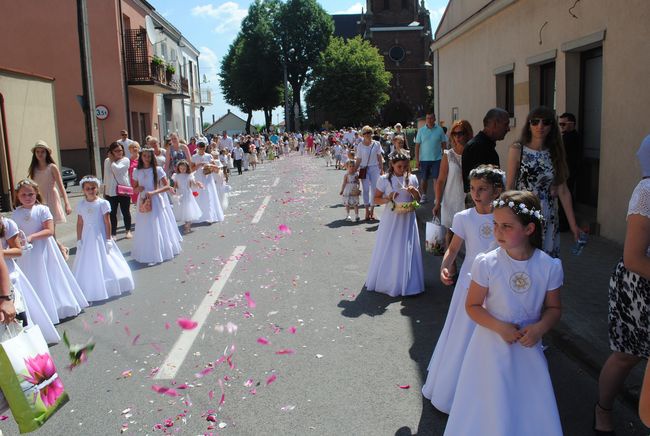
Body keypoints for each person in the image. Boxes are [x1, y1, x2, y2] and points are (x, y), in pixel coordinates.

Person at [445, 190, 563, 436]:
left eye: (506, 226)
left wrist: (540, 328)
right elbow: (472, 306)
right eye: (495, 225)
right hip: (490, 346)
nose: (498, 231)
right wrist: (500, 327)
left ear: (529, 229)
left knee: (526, 400)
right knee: (490, 399)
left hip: (527, 347)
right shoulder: (486, 263)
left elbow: (554, 309)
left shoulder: (548, 266)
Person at [422, 165, 503, 413]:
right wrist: (445, 266)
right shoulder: (464, 217)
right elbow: (454, 248)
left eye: (482, 189)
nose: (476, 194)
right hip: (470, 281)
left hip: (497, 283)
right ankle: (454, 387)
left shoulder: (504, 216)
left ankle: (489, 390)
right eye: (473, 189)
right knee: (463, 332)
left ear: (497, 191)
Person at [594, 136, 650, 435]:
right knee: (627, 355)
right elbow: (633, 258)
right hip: (639, 289)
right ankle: (602, 408)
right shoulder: (647, 190)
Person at [506, 106, 580, 257]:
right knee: (524, 257)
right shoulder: (518, 149)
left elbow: (563, 191)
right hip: (524, 212)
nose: (540, 126)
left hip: (548, 214)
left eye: (546, 122)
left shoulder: (555, 151)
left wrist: (573, 226)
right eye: (535, 122)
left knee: (545, 260)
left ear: (552, 126)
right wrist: (507, 216)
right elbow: (510, 185)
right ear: (529, 124)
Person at [12, 179, 88, 321]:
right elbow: (15, 233)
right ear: (17, 196)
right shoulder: (16, 213)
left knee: (48, 275)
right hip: (27, 253)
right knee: (33, 278)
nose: (28, 198)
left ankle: (58, 306)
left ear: (36, 194)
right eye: (23, 195)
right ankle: (38, 310)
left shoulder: (43, 209)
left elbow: (49, 230)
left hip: (43, 249)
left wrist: (31, 237)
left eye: (31, 194)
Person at [365, 150, 424, 297]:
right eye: (399, 167)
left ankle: (409, 281)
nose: (403, 169)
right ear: (392, 165)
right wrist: (388, 198)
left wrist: (415, 193)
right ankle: (389, 280)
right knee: (391, 246)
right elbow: (376, 199)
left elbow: (418, 200)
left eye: (405, 166)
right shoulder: (384, 179)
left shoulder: (413, 178)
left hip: (408, 219)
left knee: (406, 247)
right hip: (391, 220)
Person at [73, 176, 134, 302]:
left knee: (105, 258)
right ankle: (89, 284)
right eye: (87, 188)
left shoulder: (102, 203)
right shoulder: (81, 204)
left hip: (99, 234)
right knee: (87, 260)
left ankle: (110, 281)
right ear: (83, 190)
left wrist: (108, 239)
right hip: (86, 235)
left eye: (93, 188)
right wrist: (79, 239)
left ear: (97, 188)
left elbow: (107, 222)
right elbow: (79, 223)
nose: (90, 190)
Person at [1, 216, 60, 343]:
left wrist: (2, 253)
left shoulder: (6, 224)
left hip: (9, 280)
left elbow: (18, 251)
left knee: (17, 324)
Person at [131, 149, 182, 266]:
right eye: (144, 156)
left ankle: (160, 250)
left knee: (156, 224)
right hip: (143, 200)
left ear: (152, 157)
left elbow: (167, 186)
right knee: (145, 226)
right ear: (141, 157)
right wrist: (137, 189)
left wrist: (154, 192)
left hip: (155, 199)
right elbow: (134, 188)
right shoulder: (136, 171)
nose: (146, 158)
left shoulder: (157, 170)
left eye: (149, 156)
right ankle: (147, 251)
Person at [433, 120, 474, 249]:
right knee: (450, 234)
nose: (457, 136)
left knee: (471, 235)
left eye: (461, 133)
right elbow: (440, 180)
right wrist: (437, 202)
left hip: (470, 200)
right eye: (454, 133)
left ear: (468, 134)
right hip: (451, 199)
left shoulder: (474, 153)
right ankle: (450, 267)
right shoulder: (448, 155)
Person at [28, 140, 72, 258]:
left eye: (42, 151)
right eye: (38, 151)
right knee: (43, 228)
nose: (40, 154)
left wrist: (67, 203)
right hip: (39, 201)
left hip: (51, 199)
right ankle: (61, 248)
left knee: (50, 229)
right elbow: (32, 187)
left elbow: (61, 185)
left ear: (47, 153)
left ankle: (60, 251)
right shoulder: (33, 168)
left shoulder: (52, 167)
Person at [461, 108, 510, 193]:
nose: (508, 129)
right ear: (495, 124)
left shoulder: (484, 145)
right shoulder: (477, 147)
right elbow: (477, 182)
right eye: (506, 124)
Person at [414, 111, 447, 203]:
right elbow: (417, 146)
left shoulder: (440, 130)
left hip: (437, 159)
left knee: (436, 179)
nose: (429, 120)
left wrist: (445, 157)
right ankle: (424, 195)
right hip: (424, 159)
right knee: (424, 178)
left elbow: (444, 145)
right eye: (427, 118)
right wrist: (417, 160)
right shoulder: (421, 131)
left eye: (431, 118)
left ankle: (437, 197)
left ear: (435, 119)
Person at [103, 141, 133, 239]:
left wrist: (112, 161)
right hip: (110, 191)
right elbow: (106, 176)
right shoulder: (107, 161)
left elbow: (117, 170)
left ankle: (128, 230)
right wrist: (104, 191)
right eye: (116, 151)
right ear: (111, 152)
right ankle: (113, 233)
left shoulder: (125, 160)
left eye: (120, 150)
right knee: (112, 213)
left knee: (125, 211)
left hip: (123, 189)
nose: (119, 152)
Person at [558, 112, 582, 231]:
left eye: (563, 124)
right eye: (560, 124)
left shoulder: (570, 137)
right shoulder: (570, 136)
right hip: (568, 171)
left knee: (565, 195)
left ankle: (564, 223)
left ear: (572, 124)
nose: (561, 127)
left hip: (568, 172)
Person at [191, 142, 224, 224]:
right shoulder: (194, 157)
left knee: (209, 195)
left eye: (203, 148)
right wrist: (199, 165)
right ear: (197, 148)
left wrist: (209, 166)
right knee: (199, 196)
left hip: (207, 178)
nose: (202, 150)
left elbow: (216, 168)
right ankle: (200, 215)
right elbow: (191, 169)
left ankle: (210, 216)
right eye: (200, 148)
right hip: (198, 177)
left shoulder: (209, 156)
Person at [356, 125, 384, 221]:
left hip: (375, 168)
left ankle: (372, 210)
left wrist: (382, 169)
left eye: (369, 132)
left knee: (374, 190)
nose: (367, 135)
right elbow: (359, 159)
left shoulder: (376, 144)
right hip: (364, 169)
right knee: (365, 189)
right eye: (365, 133)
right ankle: (367, 211)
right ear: (362, 135)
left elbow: (379, 157)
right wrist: (354, 170)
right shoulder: (360, 145)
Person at [171, 160, 203, 233]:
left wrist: (198, 184)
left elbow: (193, 184)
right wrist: (173, 191)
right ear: (178, 168)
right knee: (182, 209)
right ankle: (187, 224)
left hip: (187, 194)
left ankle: (187, 226)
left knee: (188, 209)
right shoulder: (176, 176)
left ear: (187, 168)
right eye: (181, 168)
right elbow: (175, 185)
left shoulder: (189, 175)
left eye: (184, 168)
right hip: (180, 194)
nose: (182, 170)